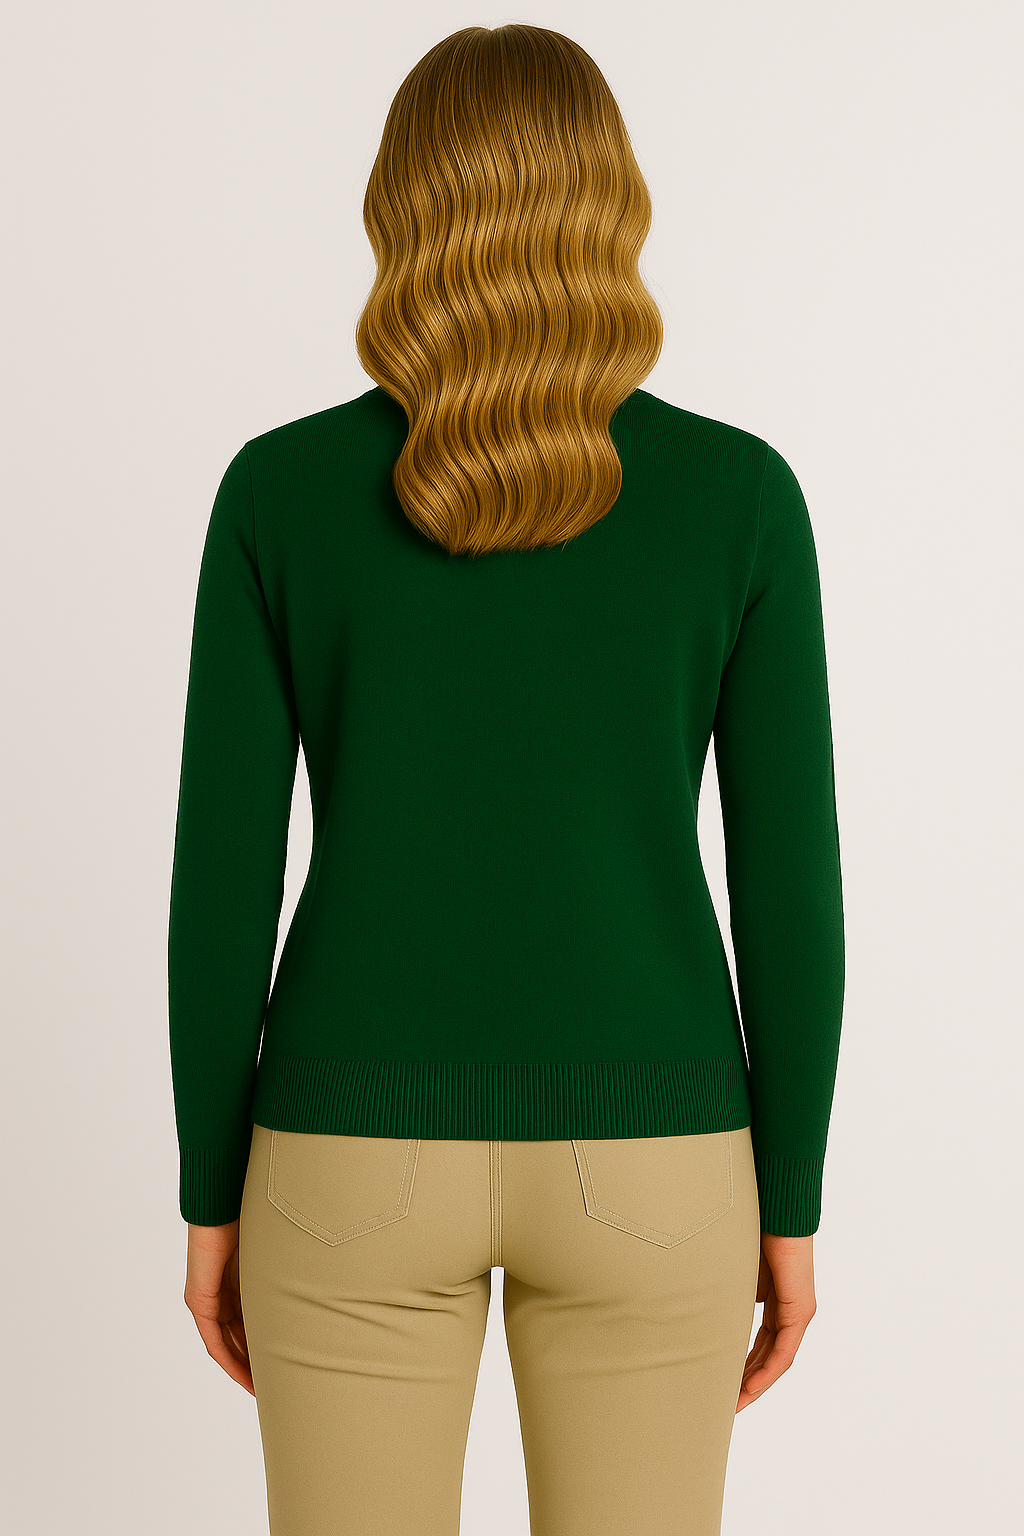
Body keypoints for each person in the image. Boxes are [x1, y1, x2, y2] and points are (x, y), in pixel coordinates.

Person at [168, 23, 844, 1536]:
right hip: (661, 1155)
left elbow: (219, 883)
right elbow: (792, 889)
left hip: (342, 1152)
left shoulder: (278, 493)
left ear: (399, 210)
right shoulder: (740, 496)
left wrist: (210, 1195)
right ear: (615, 205)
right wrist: (789, 1203)